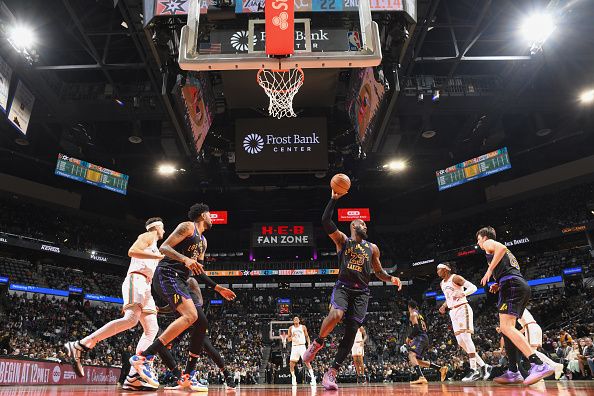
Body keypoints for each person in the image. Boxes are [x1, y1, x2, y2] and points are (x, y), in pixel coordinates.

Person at [303, 188, 402, 390]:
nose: (364, 225)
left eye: (365, 223)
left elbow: (379, 271)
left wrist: (391, 278)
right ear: (353, 226)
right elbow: (325, 221)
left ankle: (331, 373)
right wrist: (332, 199)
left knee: (351, 333)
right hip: (344, 287)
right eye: (361, 223)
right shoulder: (343, 241)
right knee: (337, 314)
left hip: (362, 292)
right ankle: (318, 342)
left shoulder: (372, 248)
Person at [131, 203, 234, 390]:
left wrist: (217, 287)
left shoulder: (203, 241)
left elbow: (198, 270)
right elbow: (164, 247)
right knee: (191, 316)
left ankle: (187, 375)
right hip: (167, 274)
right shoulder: (187, 226)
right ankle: (144, 357)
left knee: (201, 322)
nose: (212, 218)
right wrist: (185, 259)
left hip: (181, 280)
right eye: (210, 215)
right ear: (203, 215)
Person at [65, 217, 166, 390]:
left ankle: (134, 376)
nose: (164, 231)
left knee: (152, 328)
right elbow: (132, 251)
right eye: (163, 227)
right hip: (137, 278)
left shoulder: (154, 246)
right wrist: (157, 256)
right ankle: (81, 344)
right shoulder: (149, 235)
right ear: (157, 227)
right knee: (131, 320)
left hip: (146, 286)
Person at [478, 226, 554, 385]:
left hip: (512, 285)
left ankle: (538, 364)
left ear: (484, 237)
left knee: (506, 328)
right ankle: (513, 371)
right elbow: (508, 267)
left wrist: (488, 271)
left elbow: (501, 247)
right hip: (514, 284)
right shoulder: (504, 256)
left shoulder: (488, 242)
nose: (478, 243)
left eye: (478, 239)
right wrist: (498, 283)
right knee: (506, 330)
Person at [156, 277, 236, 390]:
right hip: (182, 321)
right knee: (161, 345)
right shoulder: (173, 284)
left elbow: (200, 301)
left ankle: (228, 376)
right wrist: (160, 309)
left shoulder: (190, 281)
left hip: (195, 319)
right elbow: (173, 305)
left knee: (208, 347)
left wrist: (188, 305)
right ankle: (179, 377)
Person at [436, 262, 492, 381]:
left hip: (462, 308)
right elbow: (449, 297)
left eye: (439, 269)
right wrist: (444, 305)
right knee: (461, 342)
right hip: (452, 311)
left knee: (466, 338)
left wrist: (464, 293)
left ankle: (474, 369)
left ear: (446, 269)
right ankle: (484, 366)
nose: (437, 272)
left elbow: (473, 287)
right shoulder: (442, 283)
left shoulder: (456, 278)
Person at [406, 300, 448, 384]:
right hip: (425, 337)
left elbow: (416, 329)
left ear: (409, 307)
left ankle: (421, 377)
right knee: (418, 361)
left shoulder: (413, 313)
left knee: (411, 354)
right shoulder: (419, 314)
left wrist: (409, 337)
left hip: (420, 337)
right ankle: (440, 369)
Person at [517, 308, 564, 379]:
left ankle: (553, 365)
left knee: (530, 352)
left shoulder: (515, 306)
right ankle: (542, 370)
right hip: (535, 327)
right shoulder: (521, 308)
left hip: (530, 327)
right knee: (533, 352)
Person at [287, 316, 315, 386]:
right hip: (294, 347)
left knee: (307, 362)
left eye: (297, 318)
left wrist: (309, 344)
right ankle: (293, 378)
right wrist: (292, 336)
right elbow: (288, 339)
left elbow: (307, 336)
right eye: (294, 319)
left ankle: (313, 379)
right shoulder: (291, 328)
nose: (296, 319)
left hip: (302, 346)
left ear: (299, 320)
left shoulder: (303, 327)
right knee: (291, 364)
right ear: (293, 321)